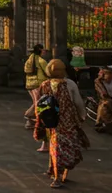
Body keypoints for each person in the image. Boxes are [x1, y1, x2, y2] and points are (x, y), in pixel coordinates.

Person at [35, 59, 85, 188]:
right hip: (67, 122)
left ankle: (53, 171)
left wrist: (39, 120)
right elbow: (78, 102)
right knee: (66, 148)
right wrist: (82, 115)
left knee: (54, 147)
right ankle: (58, 176)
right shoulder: (70, 84)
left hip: (51, 123)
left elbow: (38, 104)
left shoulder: (44, 85)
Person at [23, 44, 48, 132]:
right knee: (38, 103)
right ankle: (30, 117)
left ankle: (31, 120)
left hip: (29, 84)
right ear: (40, 50)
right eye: (43, 49)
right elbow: (48, 72)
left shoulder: (29, 60)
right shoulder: (41, 61)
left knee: (36, 102)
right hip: (38, 84)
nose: (45, 51)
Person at [93, 66, 112, 134]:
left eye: (109, 74)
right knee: (105, 105)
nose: (107, 76)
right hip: (104, 99)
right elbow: (102, 93)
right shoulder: (99, 81)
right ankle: (100, 123)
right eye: (105, 73)